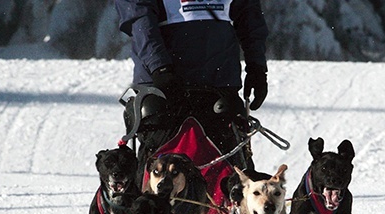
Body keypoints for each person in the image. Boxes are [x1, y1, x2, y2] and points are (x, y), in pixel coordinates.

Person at [114, 0, 269, 170]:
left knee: (232, 176)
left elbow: (249, 15)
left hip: (219, 86)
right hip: (163, 91)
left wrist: (257, 66)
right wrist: (160, 68)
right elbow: (139, 19)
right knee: (159, 174)